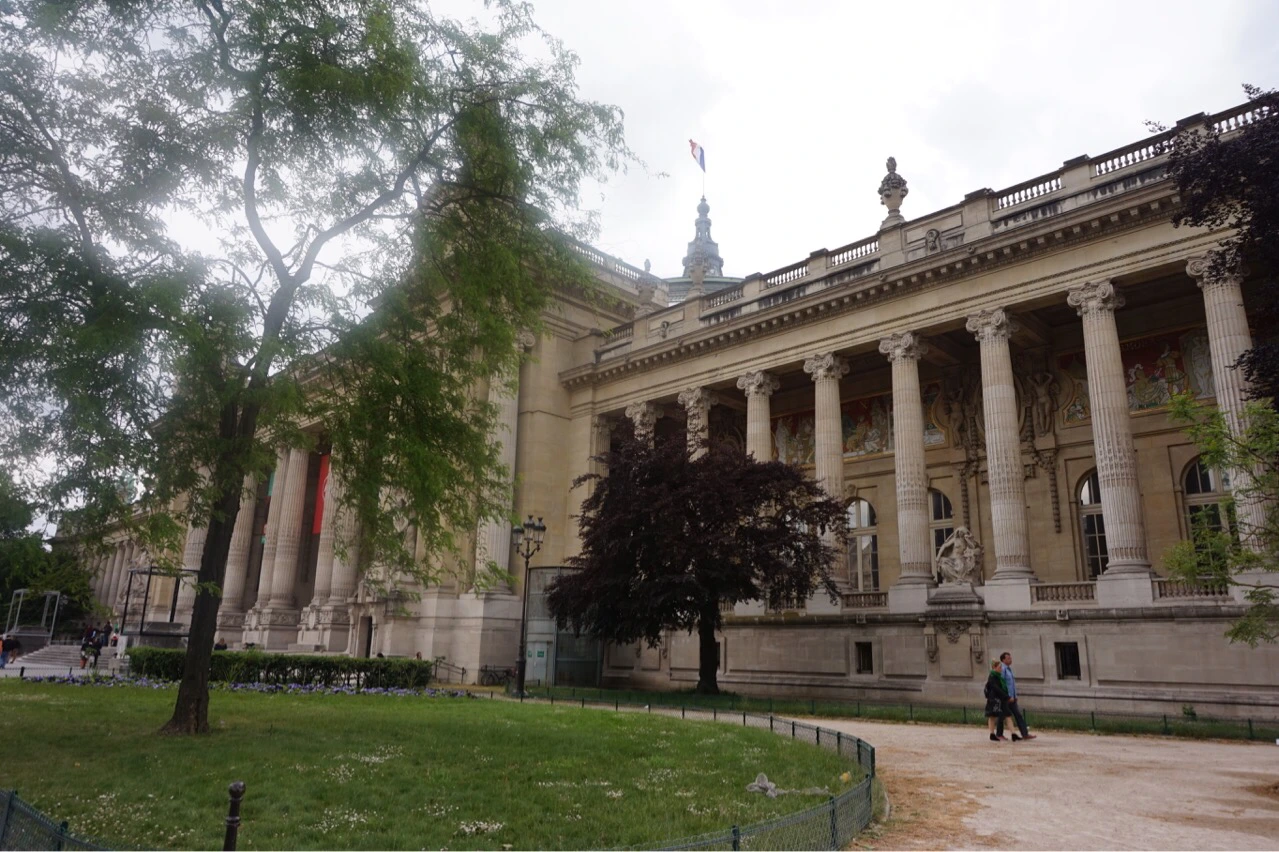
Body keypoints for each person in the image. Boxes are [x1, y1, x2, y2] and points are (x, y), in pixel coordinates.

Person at [997, 651, 1037, 741]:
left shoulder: (1009, 669)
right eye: (1008, 658)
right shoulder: (1002, 669)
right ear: (1003, 660)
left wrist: (1015, 695)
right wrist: (1007, 696)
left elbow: (1012, 684)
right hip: (1006, 698)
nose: (1010, 660)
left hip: (1012, 698)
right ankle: (999, 734)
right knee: (1002, 716)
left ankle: (1025, 734)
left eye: (1010, 658)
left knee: (1018, 715)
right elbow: (1002, 684)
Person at [984, 658, 1011, 742]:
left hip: (996, 698)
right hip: (994, 699)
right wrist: (1005, 695)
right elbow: (996, 688)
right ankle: (992, 734)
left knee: (992, 716)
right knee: (992, 716)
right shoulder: (993, 676)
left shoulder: (997, 676)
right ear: (994, 668)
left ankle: (993, 734)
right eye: (999, 667)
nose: (1001, 669)